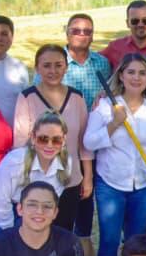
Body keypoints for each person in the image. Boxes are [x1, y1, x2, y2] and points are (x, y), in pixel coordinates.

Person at [83, 53, 146, 256]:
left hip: (143, 185)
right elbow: (89, 142)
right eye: (130, 72)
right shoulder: (105, 106)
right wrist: (114, 124)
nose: (136, 77)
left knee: (135, 240)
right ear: (121, 75)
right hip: (111, 184)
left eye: (142, 73)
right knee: (110, 240)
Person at [14, 46, 91, 238]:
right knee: (37, 232)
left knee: (64, 233)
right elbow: (20, 142)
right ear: (37, 68)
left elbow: (84, 143)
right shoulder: (27, 97)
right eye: (46, 65)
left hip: (69, 179)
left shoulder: (76, 97)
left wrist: (87, 176)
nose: (53, 71)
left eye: (58, 65)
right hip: (38, 179)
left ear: (66, 67)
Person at [0, 113, 74, 230]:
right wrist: (10, 234)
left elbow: (50, 201)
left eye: (56, 140)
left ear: (64, 140)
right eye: (43, 139)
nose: (49, 145)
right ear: (33, 138)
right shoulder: (15, 162)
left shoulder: (66, 163)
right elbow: (0, 202)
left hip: (32, 209)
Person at [55, 12, 113, 109]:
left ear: (92, 37)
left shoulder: (103, 63)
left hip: (96, 122)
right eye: (76, 31)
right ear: (67, 34)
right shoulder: (52, 62)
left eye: (87, 32)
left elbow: (109, 94)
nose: (81, 34)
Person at [100, 0, 146, 68]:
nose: (140, 25)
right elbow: (92, 60)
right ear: (127, 23)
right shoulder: (115, 47)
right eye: (135, 21)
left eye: (145, 20)